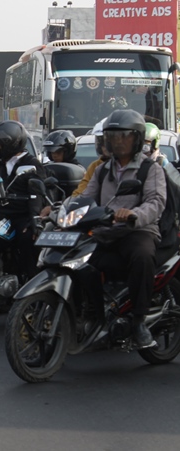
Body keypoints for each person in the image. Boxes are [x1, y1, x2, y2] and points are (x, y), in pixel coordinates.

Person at [79, 109, 165, 348]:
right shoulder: (102, 169)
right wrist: (62, 212)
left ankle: (139, 321)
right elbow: (86, 197)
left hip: (137, 230)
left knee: (142, 256)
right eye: (113, 136)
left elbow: (156, 202)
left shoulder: (151, 169)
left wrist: (133, 215)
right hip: (106, 230)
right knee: (76, 258)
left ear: (136, 138)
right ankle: (93, 311)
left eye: (124, 136)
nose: (117, 141)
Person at [0, 120, 47, 282]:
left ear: (11, 144)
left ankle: (29, 284)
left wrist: (34, 221)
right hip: (0, 213)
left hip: (22, 216)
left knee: (25, 241)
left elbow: (37, 194)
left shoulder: (31, 164)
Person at [72, 118, 109, 197]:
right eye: (101, 142)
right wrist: (68, 204)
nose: (104, 146)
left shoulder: (139, 166)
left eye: (108, 142)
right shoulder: (96, 166)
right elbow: (82, 191)